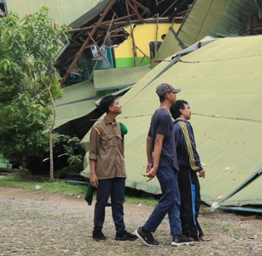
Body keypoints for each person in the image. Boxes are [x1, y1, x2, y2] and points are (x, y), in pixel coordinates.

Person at [134, 83, 194, 247]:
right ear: (167, 95)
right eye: (174, 93)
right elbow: (158, 141)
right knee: (169, 199)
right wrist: (154, 166)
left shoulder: (158, 114)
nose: (175, 95)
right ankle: (146, 230)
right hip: (165, 163)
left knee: (174, 199)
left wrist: (150, 162)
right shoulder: (164, 116)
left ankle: (177, 234)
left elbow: (149, 139)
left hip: (166, 163)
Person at [88, 95, 137, 241]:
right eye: (117, 103)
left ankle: (120, 231)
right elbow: (93, 153)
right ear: (111, 108)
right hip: (104, 172)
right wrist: (93, 174)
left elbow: (121, 149)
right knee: (102, 202)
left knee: (118, 202)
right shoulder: (97, 128)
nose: (120, 105)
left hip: (119, 171)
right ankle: (97, 230)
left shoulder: (119, 127)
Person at [170, 100, 209, 242]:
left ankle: (187, 230)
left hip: (177, 169)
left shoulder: (173, 127)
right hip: (185, 169)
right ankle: (193, 232)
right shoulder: (183, 126)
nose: (190, 110)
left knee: (184, 200)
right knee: (192, 200)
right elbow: (189, 148)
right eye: (188, 108)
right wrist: (198, 166)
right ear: (181, 110)